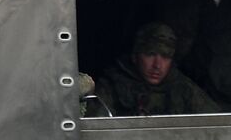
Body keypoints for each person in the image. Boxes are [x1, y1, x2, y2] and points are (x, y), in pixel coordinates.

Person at [92, 22, 220, 117]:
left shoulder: (183, 88)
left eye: (165, 57)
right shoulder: (112, 85)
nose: (157, 65)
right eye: (150, 54)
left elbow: (217, 123)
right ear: (135, 56)